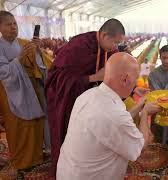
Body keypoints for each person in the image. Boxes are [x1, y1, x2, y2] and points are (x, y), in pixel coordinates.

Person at [56, 53, 161, 180]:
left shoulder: (89, 94)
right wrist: (145, 113)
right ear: (125, 79)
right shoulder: (114, 115)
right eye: (135, 79)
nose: (135, 84)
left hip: (69, 170)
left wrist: (139, 105)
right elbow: (139, 147)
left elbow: (114, 122)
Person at [45, 18, 125, 175]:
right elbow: (59, 80)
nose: (115, 48)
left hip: (95, 101)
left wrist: (133, 88)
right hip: (69, 101)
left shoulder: (110, 50)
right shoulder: (78, 46)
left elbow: (117, 69)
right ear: (103, 35)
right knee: (73, 140)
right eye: (114, 43)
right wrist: (93, 78)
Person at [0, 11, 52, 169]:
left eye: (14, 23)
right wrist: (19, 60)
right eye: (8, 24)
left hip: (32, 89)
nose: (13, 27)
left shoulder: (24, 43)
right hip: (10, 92)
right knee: (18, 126)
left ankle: (36, 156)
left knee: (35, 123)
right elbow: (3, 72)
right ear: (0, 27)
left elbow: (42, 67)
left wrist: (37, 51)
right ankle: (21, 160)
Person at [148, 44, 168, 142]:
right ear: (159, 58)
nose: (166, 61)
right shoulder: (153, 74)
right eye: (163, 58)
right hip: (160, 113)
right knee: (160, 141)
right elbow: (158, 95)